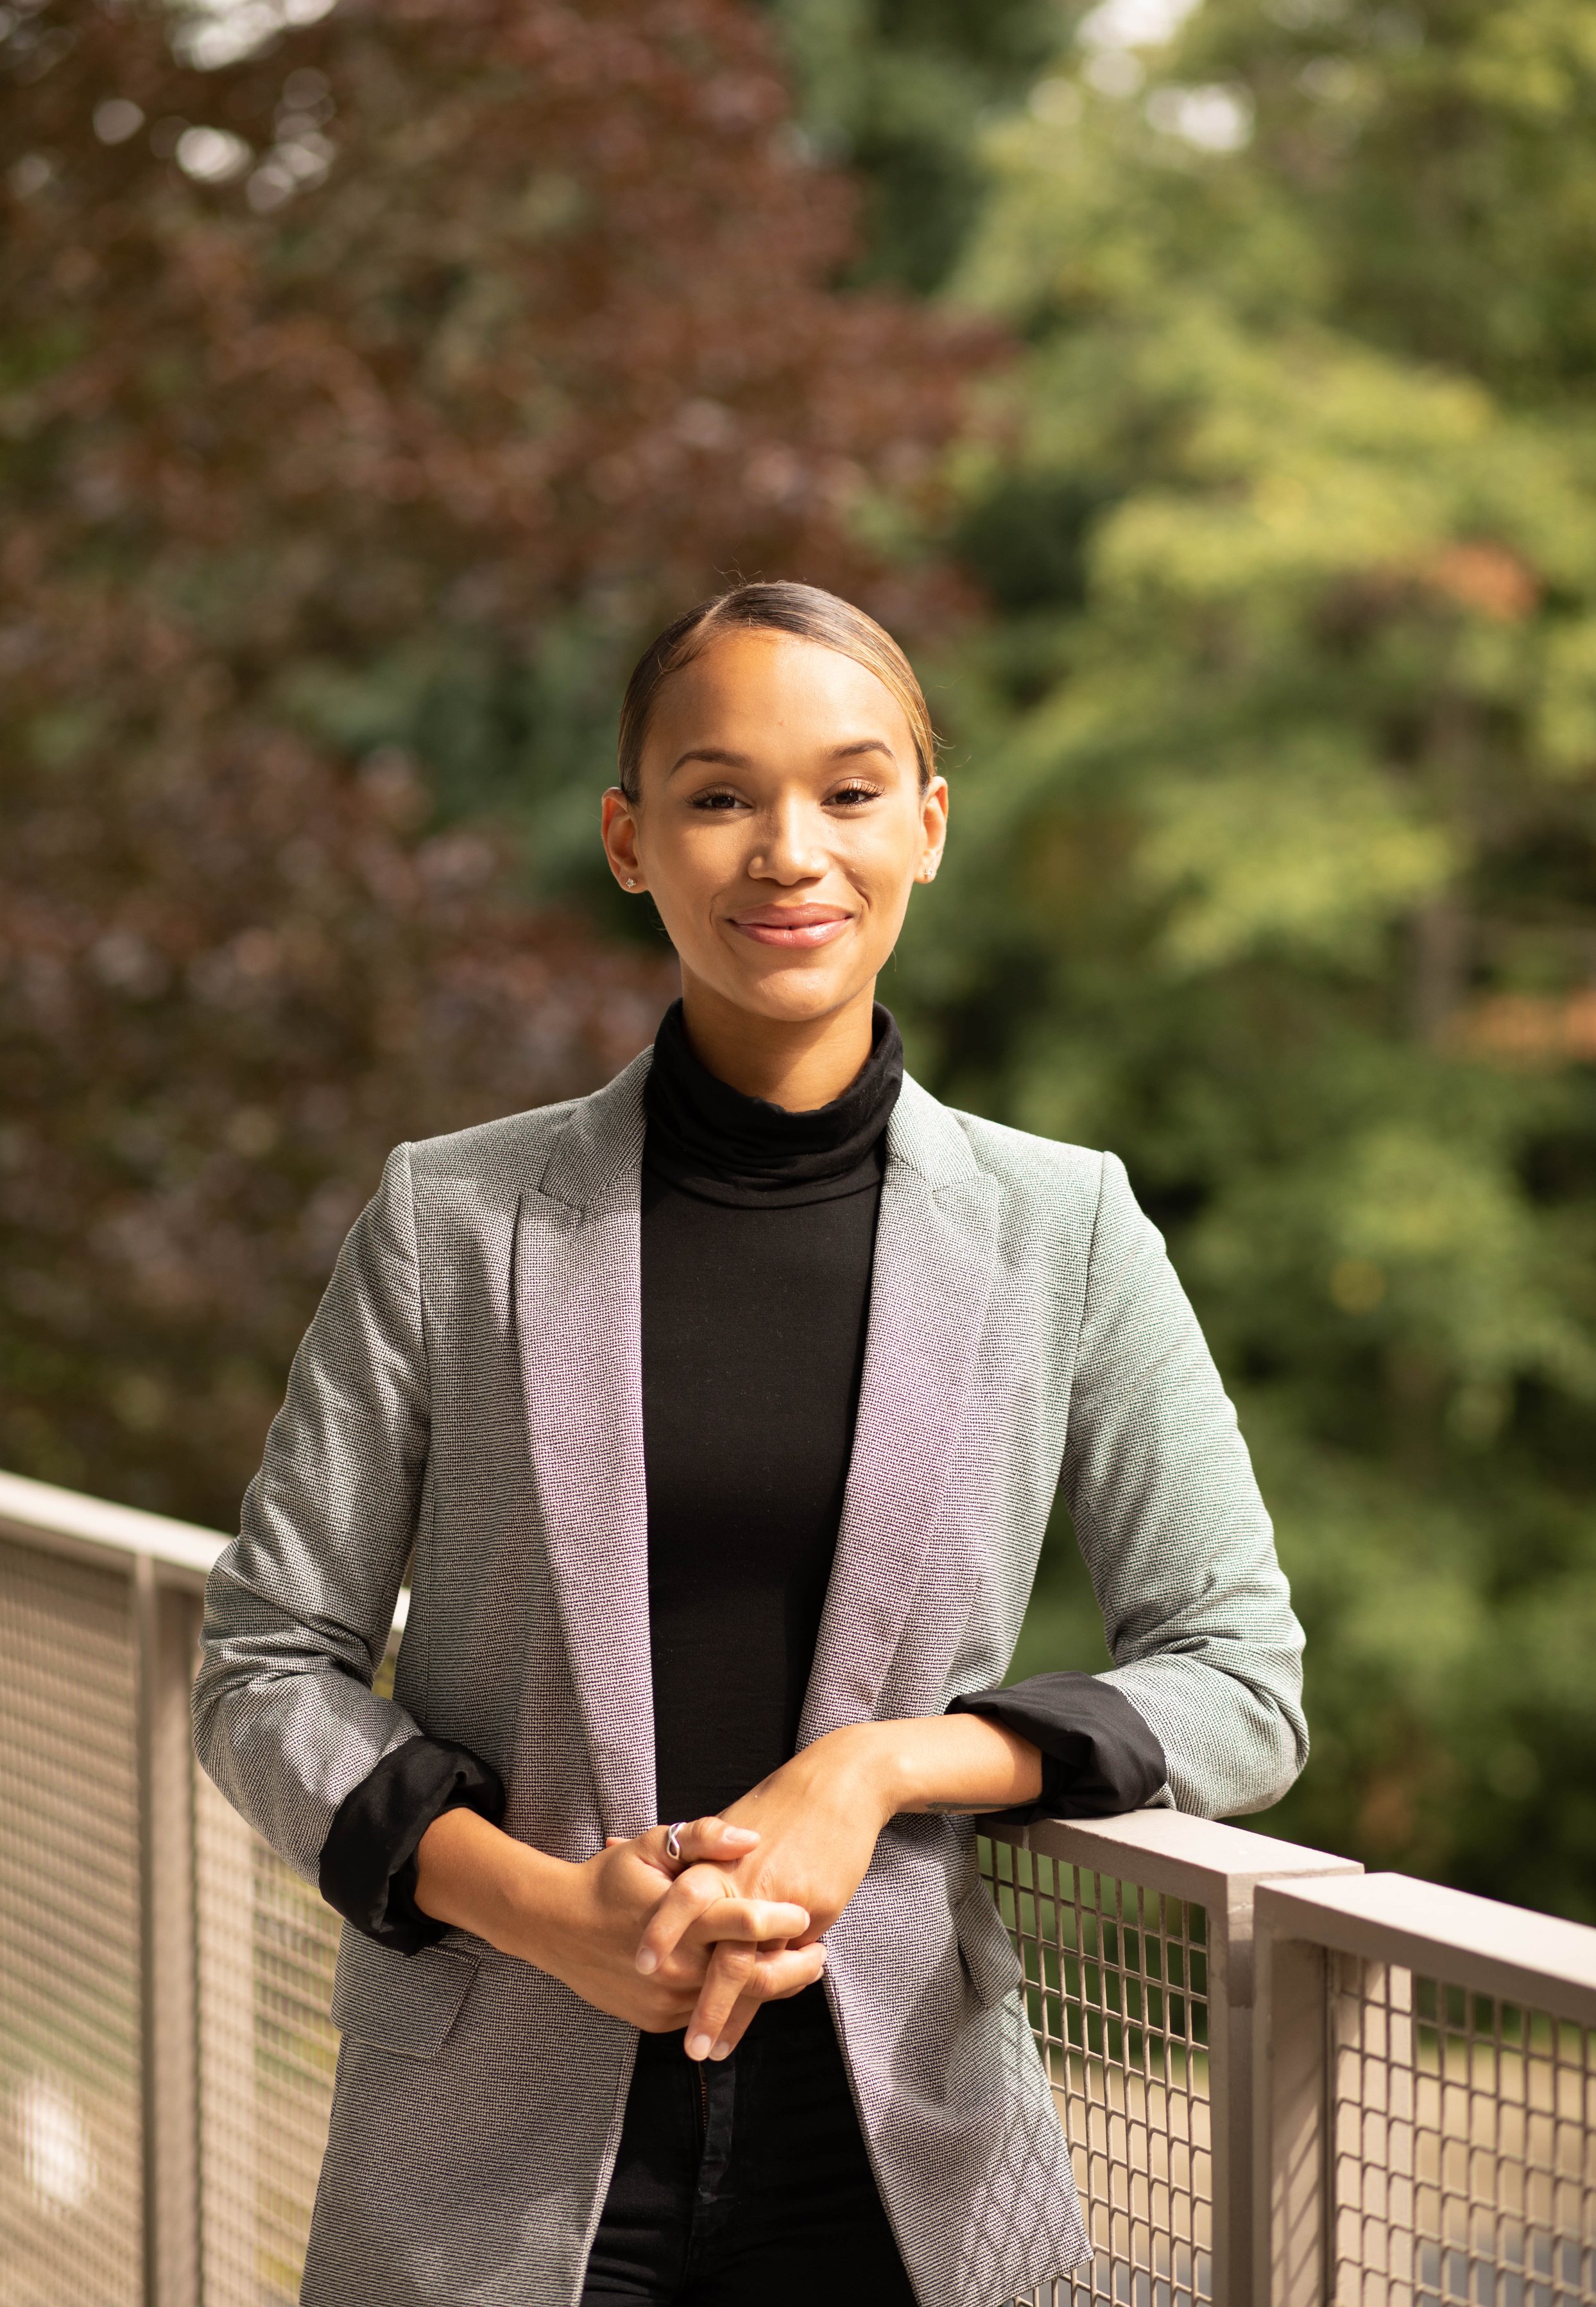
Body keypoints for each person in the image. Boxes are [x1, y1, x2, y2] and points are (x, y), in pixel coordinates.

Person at [193, 580, 1306, 2307]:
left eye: (849, 792)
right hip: (486, 2144)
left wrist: (878, 1767)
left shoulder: (1061, 1231)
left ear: (926, 830)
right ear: (631, 840)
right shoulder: (451, 1218)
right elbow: (266, 1660)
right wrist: (543, 1907)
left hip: (892, 2164)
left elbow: (1243, 1674)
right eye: (720, 796)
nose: (788, 850)